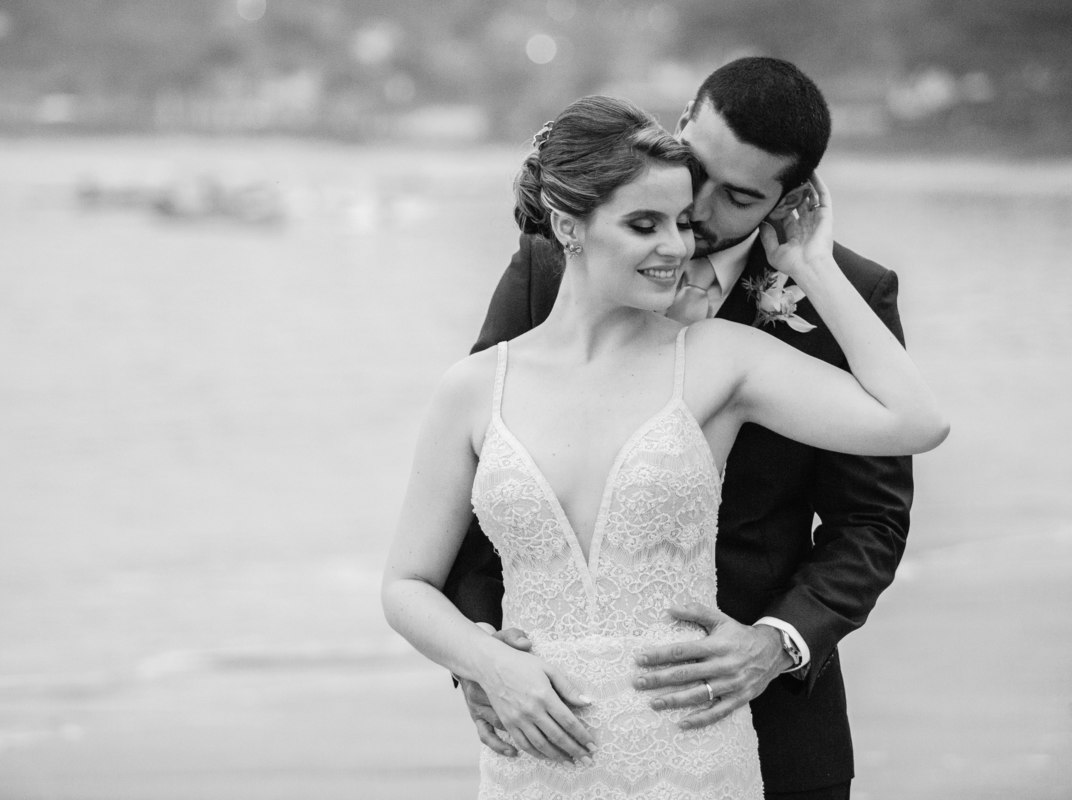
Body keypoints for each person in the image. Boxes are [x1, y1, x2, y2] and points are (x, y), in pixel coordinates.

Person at [383, 93, 947, 799]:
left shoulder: (718, 358)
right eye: (645, 224)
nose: (679, 246)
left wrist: (813, 264)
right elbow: (407, 585)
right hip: (533, 763)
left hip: (693, 758)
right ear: (567, 224)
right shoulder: (472, 389)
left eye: (681, 223)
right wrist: (487, 664)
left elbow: (916, 423)